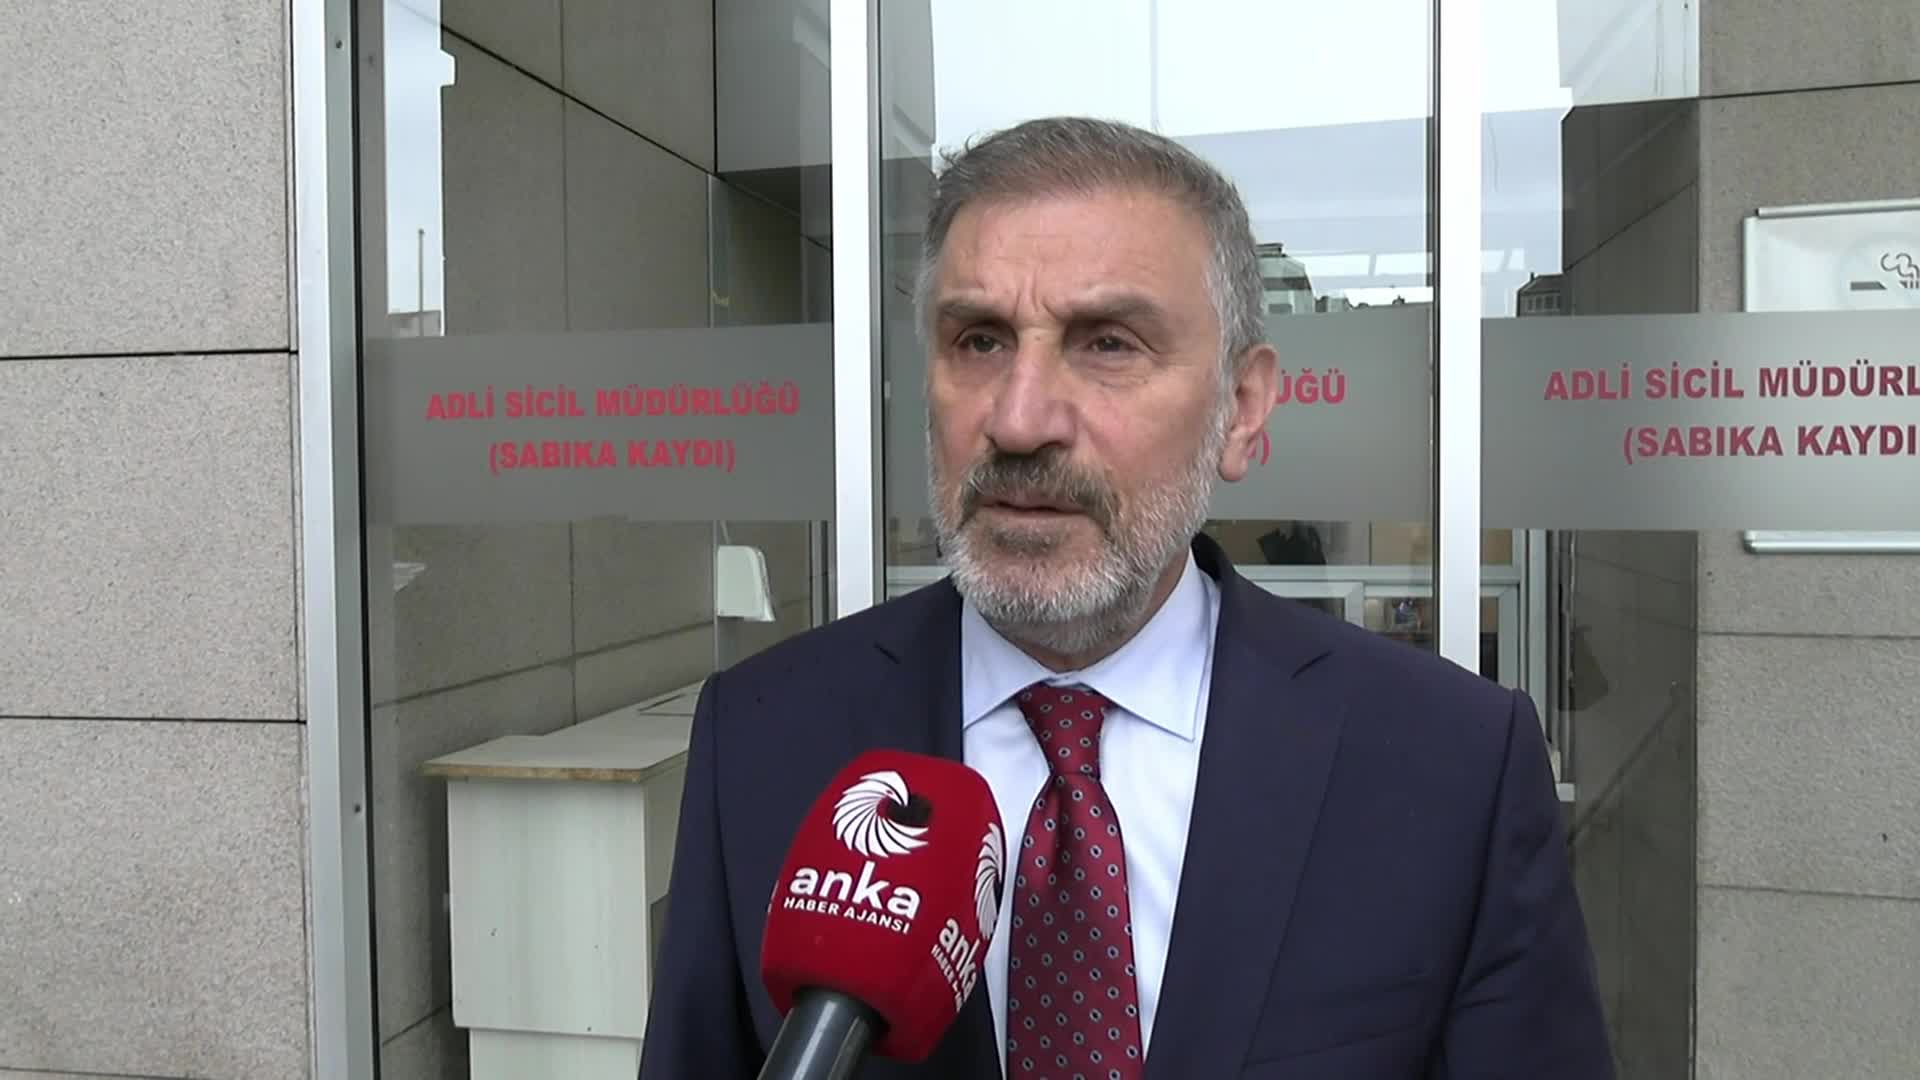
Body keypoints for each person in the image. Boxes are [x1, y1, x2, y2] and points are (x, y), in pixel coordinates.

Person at [639, 116, 1612, 1079]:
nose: (1019, 420)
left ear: (1241, 410)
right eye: (979, 340)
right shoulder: (764, 738)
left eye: (1107, 343)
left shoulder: (1449, 765)